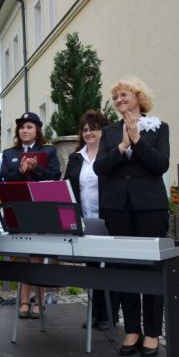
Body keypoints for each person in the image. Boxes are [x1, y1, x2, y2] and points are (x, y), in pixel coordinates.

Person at [94, 76, 169, 357]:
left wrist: (137, 141)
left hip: (150, 208)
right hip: (117, 208)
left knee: (150, 269)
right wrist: (122, 147)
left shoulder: (159, 127)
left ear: (139, 96)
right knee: (125, 268)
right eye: (116, 97)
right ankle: (133, 329)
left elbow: (159, 164)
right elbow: (101, 167)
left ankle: (151, 332)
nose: (119, 100)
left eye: (124, 94)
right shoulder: (110, 132)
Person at [0, 111, 61, 320]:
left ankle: (39, 301)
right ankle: (24, 301)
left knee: (39, 256)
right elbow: (3, 178)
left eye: (29, 127)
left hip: (42, 209)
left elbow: (55, 176)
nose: (25, 130)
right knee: (23, 255)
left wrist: (36, 169)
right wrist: (20, 171)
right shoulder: (9, 153)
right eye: (22, 127)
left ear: (37, 130)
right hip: (19, 208)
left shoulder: (47, 151)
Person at [63, 110, 117, 330]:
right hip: (85, 221)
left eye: (93, 128)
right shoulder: (76, 158)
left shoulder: (111, 154)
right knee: (92, 269)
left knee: (110, 269)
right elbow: (66, 186)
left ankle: (110, 316)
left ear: (103, 130)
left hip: (109, 220)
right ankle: (96, 313)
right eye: (85, 129)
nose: (88, 133)